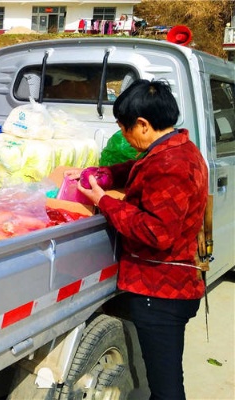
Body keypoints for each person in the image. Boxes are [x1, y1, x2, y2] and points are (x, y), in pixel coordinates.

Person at [71, 79, 208, 400]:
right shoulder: (176, 148)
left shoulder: (171, 165)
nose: (124, 136)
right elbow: (140, 169)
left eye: (125, 128)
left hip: (162, 291)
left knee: (166, 385)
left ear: (143, 125)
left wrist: (105, 201)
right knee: (161, 376)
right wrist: (107, 174)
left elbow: (155, 232)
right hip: (171, 285)